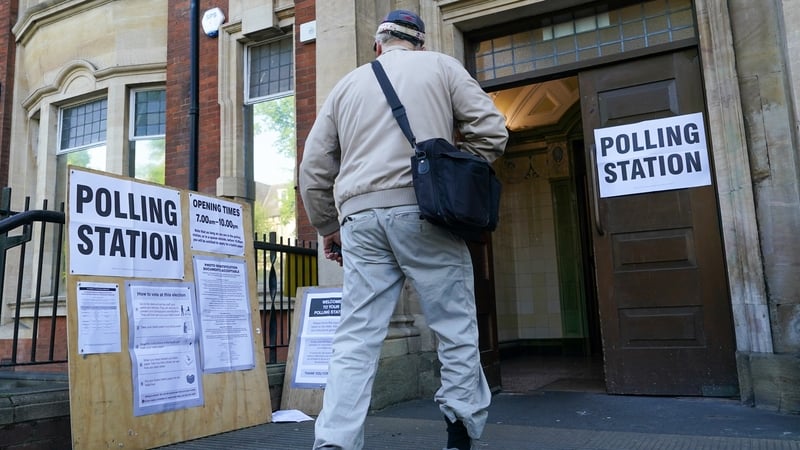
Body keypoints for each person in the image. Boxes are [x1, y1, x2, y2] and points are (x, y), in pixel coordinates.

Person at [299, 9, 508, 450]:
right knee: (454, 327)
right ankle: (460, 430)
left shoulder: (345, 86)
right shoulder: (441, 67)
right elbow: (492, 133)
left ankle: (334, 441)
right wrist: (449, 170)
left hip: (359, 220)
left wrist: (328, 225)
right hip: (424, 212)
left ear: (378, 45)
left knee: (355, 338)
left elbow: (314, 169)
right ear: (420, 43)